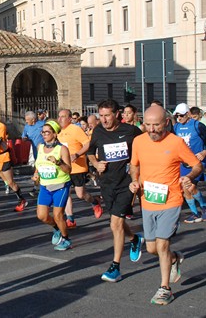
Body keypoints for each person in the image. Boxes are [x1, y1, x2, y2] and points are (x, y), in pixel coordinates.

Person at [129, 105, 203, 305]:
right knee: (152, 248)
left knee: (162, 244)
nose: (152, 130)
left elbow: (197, 165)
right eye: (148, 125)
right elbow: (134, 165)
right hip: (148, 200)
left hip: (171, 200)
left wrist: (189, 176)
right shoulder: (138, 141)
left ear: (166, 123)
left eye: (156, 125)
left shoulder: (176, 142)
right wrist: (134, 180)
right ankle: (173, 258)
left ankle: (165, 289)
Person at [87, 99, 144, 283]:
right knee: (117, 222)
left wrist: (137, 172)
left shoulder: (130, 131)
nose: (103, 120)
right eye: (101, 116)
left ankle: (115, 267)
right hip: (107, 183)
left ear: (117, 114)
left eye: (107, 116)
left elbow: (144, 149)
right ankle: (134, 239)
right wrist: (96, 163)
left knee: (115, 224)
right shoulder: (98, 131)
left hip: (126, 183)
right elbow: (91, 150)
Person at [57, 109, 103, 228]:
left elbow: (88, 144)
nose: (60, 119)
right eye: (59, 116)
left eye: (63, 116)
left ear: (70, 118)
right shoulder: (58, 132)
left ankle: (94, 202)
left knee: (80, 194)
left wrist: (77, 154)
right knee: (66, 193)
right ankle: (70, 219)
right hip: (64, 168)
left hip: (78, 167)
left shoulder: (75, 129)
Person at [33, 120, 73, 251]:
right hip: (45, 186)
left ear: (55, 134)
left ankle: (66, 238)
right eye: (42, 132)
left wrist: (58, 162)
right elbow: (38, 164)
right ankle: (57, 228)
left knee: (58, 215)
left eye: (47, 132)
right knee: (42, 216)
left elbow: (68, 169)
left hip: (60, 185)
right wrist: (36, 174)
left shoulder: (62, 149)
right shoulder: (40, 147)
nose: (44, 134)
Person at [172, 103, 206, 223]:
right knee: (185, 188)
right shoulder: (176, 127)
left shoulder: (197, 125)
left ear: (187, 114)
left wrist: (205, 151)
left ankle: (204, 206)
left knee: (190, 185)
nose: (179, 119)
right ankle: (195, 213)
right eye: (177, 116)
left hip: (197, 161)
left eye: (181, 116)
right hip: (183, 161)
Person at [22, 110, 45, 198]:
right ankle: (38, 188)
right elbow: (24, 136)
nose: (26, 121)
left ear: (33, 119)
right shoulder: (27, 127)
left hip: (44, 151)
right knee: (38, 168)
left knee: (40, 169)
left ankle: (36, 188)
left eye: (27, 120)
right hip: (35, 151)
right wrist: (24, 138)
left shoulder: (43, 124)